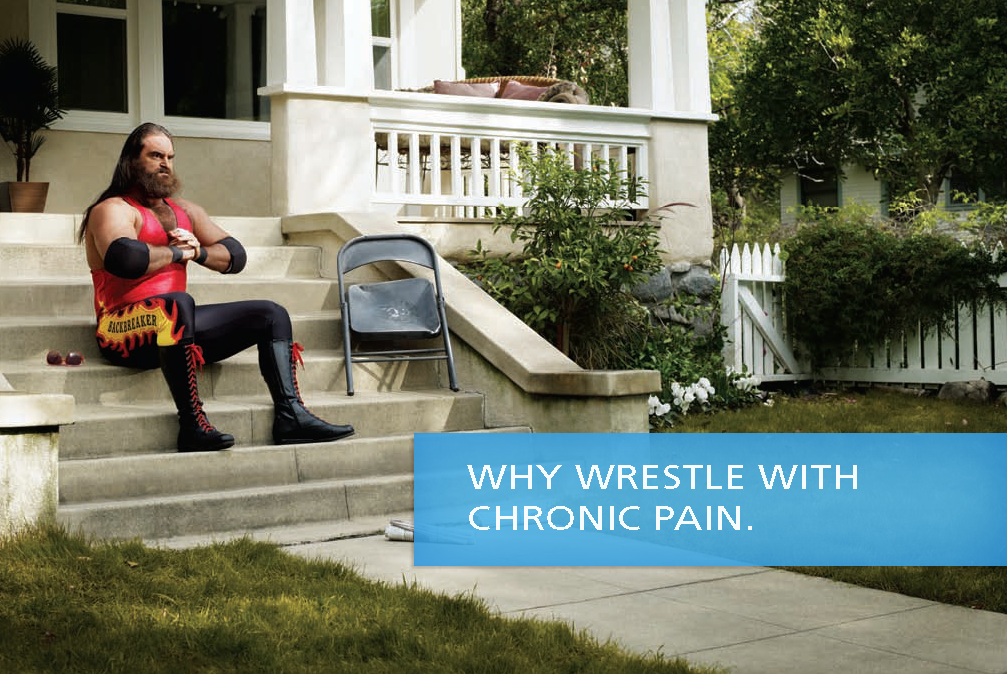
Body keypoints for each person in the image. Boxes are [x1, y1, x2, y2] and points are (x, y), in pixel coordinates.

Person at [78, 122, 354, 452]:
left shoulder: (185, 210)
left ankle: (291, 416)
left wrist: (200, 252)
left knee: (271, 314)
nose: (166, 164)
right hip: (120, 330)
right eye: (155, 156)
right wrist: (179, 252)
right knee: (178, 304)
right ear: (131, 161)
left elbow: (235, 255)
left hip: (174, 329)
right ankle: (192, 424)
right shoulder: (112, 209)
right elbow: (125, 258)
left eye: (170, 157)